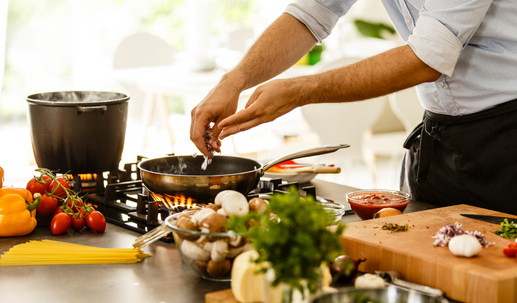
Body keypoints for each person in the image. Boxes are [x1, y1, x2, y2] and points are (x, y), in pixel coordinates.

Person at [190, 0, 517, 214]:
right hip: (440, 136)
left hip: (508, 136)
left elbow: (428, 57)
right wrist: (233, 81)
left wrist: (300, 91)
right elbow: (313, 11)